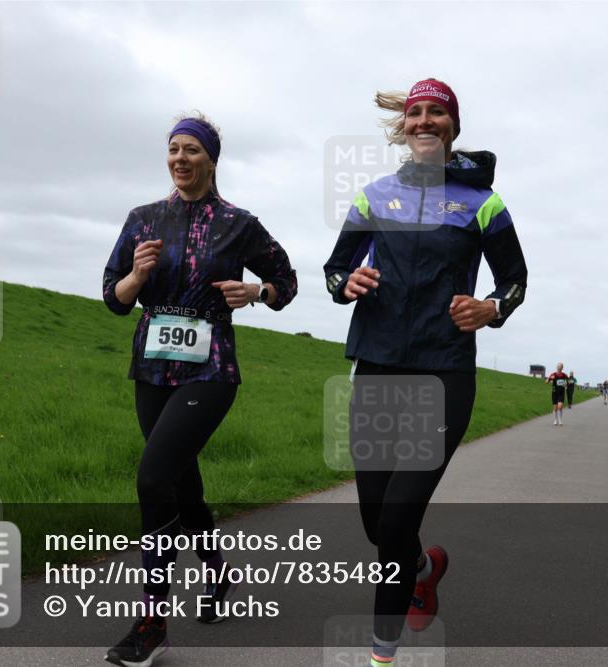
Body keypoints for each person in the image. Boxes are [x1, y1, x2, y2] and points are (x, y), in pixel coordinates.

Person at [324, 78, 528, 667]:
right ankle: (422, 567)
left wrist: (491, 308)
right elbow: (337, 270)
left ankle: (381, 655)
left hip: (443, 375)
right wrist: (349, 284)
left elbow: (513, 281)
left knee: (396, 518)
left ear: (452, 126)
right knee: (373, 520)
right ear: (403, 126)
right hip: (378, 368)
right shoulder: (372, 197)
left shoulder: (481, 202)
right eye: (415, 112)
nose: (424, 120)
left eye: (436, 112)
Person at [102, 113, 298, 667]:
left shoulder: (239, 223)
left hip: (210, 370)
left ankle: (151, 621)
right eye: (172, 149)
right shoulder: (143, 219)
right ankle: (217, 572)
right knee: (182, 488)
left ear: (212, 159)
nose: (180, 158)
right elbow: (113, 299)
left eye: (191, 149)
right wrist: (137, 278)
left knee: (153, 477)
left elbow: (287, 283)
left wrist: (256, 290)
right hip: (151, 367)